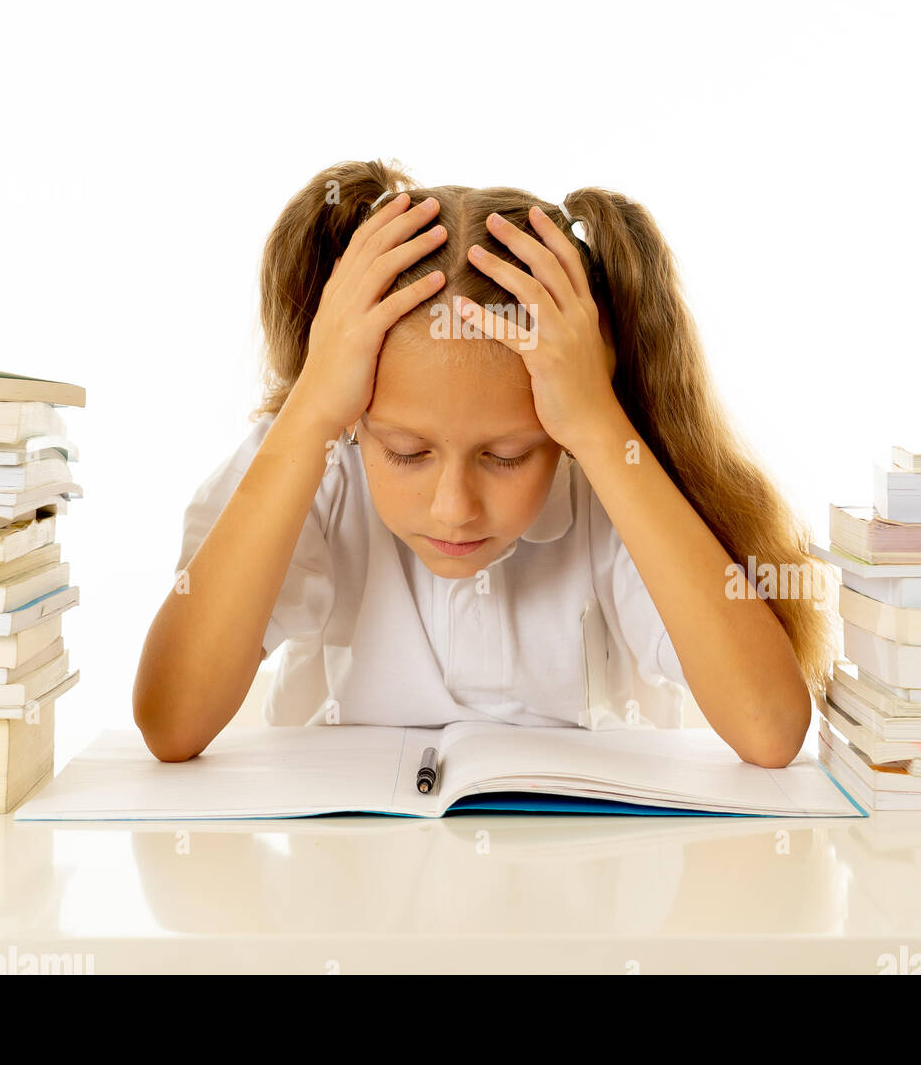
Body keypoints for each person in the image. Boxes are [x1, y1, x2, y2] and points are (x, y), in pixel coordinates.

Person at [133, 159, 832, 767]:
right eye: (406, 453)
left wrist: (598, 425)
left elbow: (769, 731)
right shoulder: (317, 457)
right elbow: (172, 720)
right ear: (355, 419)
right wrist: (311, 408)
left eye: (505, 456)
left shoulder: (606, 471)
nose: (453, 507)